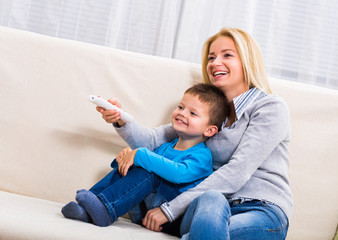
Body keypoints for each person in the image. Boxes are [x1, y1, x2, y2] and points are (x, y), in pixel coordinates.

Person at [100, 27, 292, 239]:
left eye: (227, 55)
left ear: (247, 61)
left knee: (211, 214)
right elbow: (152, 141)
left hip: (260, 210)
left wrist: (170, 210)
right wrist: (121, 119)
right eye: (211, 57)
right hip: (208, 208)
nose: (215, 63)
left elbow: (237, 171)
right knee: (211, 199)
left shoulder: (271, 108)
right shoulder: (206, 113)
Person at [61, 83, 230, 229]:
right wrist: (126, 158)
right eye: (180, 107)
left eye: (193, 113)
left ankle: (105, 210)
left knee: (150, 168)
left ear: (209, 130)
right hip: (144, 210)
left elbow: (179, 174)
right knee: (138, 165)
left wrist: (140, 155)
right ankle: (88, 207)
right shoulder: (166, 147)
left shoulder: (202, 155)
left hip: (171, 217)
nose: (182, 113)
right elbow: (143, 163)